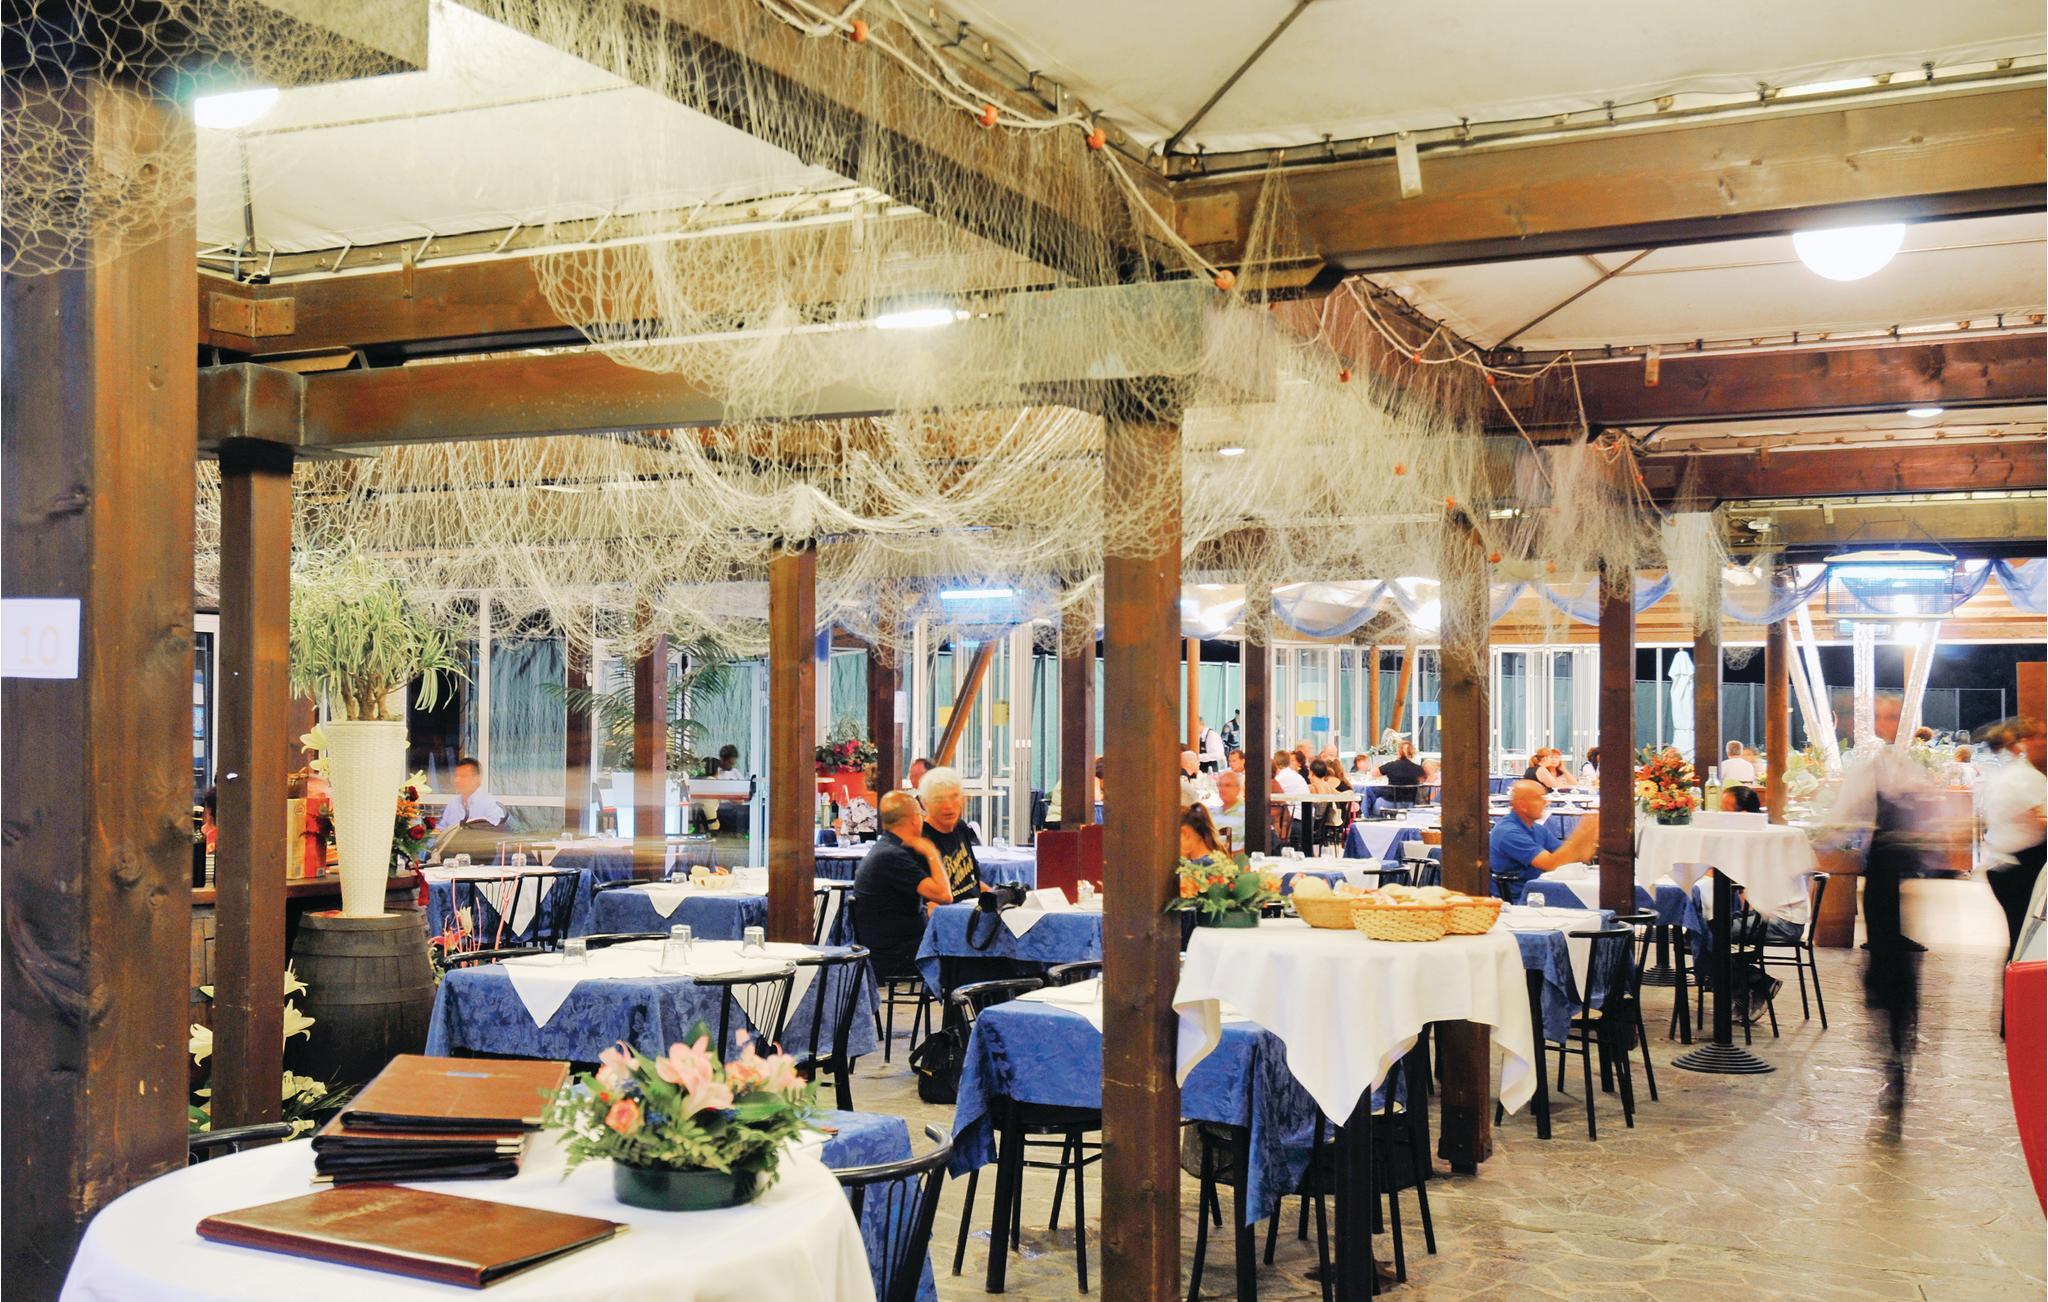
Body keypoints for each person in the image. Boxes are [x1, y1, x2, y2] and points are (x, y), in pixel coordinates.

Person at [851, 791, 952, 974]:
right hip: (896, 954)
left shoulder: (887, 848)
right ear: (914, 819)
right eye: (921, 815)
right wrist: (932, 853)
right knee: (966, 947)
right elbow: (944, 895)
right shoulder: (892, 856)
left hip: (890, 942)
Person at [1982, 717, 2047, 957]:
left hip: (2005, 863)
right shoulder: (2026, 778)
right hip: (2017, 867)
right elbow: (2042, 819)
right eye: (2043, 736)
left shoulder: (2014, 773)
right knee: (2024, 938)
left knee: (2021, 936)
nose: (2046, 742)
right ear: (2025, 741)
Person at [1488, 779, 1600, 904]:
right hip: (1524, 900)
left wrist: (1590, 835)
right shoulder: (1508, 833)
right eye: (1539, 798)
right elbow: (1550, 863)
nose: (1546, 802)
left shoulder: (1537, 829)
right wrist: (1581, 831)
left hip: (1543, 892)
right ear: (1522, 805)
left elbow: (1573, 857)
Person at [918, 766, 982, 898]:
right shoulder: (921, 842)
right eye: (938, 799)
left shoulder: (961, 827)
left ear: (963, 799)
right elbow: (928, 905)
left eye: (954, 797)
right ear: (925, 803)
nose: (948, 805)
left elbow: (973, 884)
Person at [441, 757, 507, 829]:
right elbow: (441, 829)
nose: (457, 780)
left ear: (477, 778)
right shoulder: (453, 803)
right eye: (456, 776)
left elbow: (496, 833)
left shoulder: (491, 805)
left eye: (463, 776)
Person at [1271, 747, 1308, 842]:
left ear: (1275, 763)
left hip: (1295, 821)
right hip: (1306, 818)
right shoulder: (1295, 775)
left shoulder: (1280, 779)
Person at [1378, 741, 1426, 805]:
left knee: (1370, 791)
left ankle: (1366, 811)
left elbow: (1374, 773)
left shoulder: (1391, 766)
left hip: (1391, 801)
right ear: (1412, 753)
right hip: (1411, 802)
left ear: (1399, 752)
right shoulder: (1418, 768)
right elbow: (1423, 782)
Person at [1212, 770, 1246, 849]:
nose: (1222, 789)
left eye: (1227, 785)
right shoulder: (1212, 813)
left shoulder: (1246, 812)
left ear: (1238, 789)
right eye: (1220, 785)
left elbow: (1251, 848)